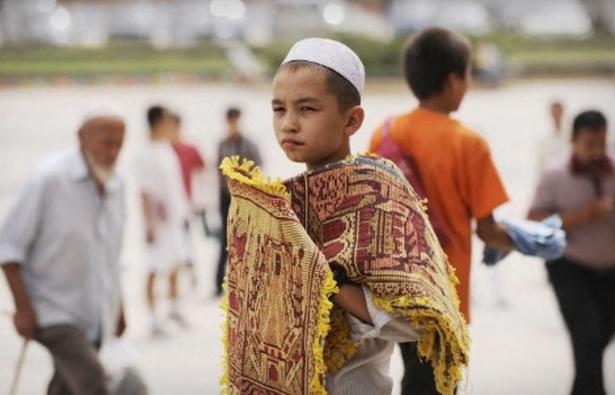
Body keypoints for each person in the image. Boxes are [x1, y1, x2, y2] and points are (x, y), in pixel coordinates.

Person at [220, 38, 468, 395]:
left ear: (352, 119)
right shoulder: (277, 206)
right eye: (279, 109)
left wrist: (329, 283)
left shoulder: (378, 192)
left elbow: (421, 319)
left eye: (307, 109)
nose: (288, 124)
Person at [368, 27, 515, 395]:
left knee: (414, 376)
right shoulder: (469, 143)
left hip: (397, 286)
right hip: (445, 292)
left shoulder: (386, 132)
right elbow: (488, 230)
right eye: (466, 75)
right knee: (436, 384)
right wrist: (529, 240)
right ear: (452, 79)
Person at [0, 110, 146, 395]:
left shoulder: (117, 184)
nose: (113, 151)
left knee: (67, 387)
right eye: (106, 143)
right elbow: (7, 248)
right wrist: (23, 308)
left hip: (96, 312)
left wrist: (118, 308)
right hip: (53, 310)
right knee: (95, 384)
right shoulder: (49, 179)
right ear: (82, 138)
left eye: (119, 144)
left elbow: (110, 257)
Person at [528, 110, 615, 395]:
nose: (597, 151)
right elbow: (534, 220)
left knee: (610, 326)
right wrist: (582, 215)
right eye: (589, 144)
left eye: (602, 142)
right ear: (573, 141)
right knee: (587, 336)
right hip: (568, 264)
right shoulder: (554, 174)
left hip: (611, 264)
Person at [134, 105, 190, 336]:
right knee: (154, 267)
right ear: (158, 122)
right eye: (168, 121)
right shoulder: (144, 153)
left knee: (176, 262)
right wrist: (148, 225)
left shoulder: (165, 148)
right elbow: (144, 191)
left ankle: (173, 308)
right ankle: (153, 319)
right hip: (157, 222)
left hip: (175, 218)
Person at [214, 106, 261, 296]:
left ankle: (245, 282)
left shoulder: (248, 144)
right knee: (225, 239)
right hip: (226, 196)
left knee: (247, 238)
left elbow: (257, 166)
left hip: (245, 195)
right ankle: (219, 283)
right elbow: (217, 171)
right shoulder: (223, 144)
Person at [169, 113, 205, 285]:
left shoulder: (189, 149)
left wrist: (202, 202)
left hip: (185, 203)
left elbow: (203, 171)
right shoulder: (161, 152)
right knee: (169, 244)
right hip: (165, 207)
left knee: (185, 239)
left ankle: (191, 275)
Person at [537, 100, 568, 172]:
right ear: (551, 113)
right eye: (554, 112)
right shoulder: (543, 137)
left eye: (558, 112)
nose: (556, 115)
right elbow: (540, 161)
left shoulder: (570, 135)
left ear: (562, 112)